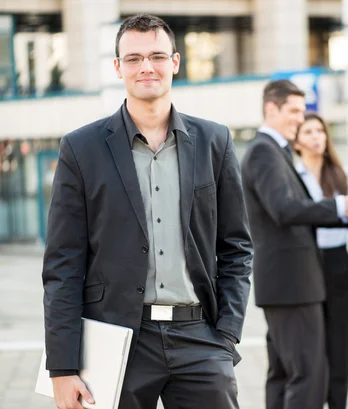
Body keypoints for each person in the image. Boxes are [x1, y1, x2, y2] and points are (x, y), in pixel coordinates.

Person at [41, 14, 252, 409]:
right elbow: (62, 265)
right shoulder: (81, 148)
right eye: (134, 58)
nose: (146, 67)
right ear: (118, 67)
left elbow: (236, 246)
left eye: (156, 56)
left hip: (200, 337)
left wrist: (226, 335)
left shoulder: (215, 141)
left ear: (175, 62)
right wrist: (63, 367)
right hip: (115, 336)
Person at [241, 80, 348, 409]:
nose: (298, 119)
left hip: (289, 283)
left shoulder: (276, 151)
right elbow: (285, 210)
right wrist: (341, 205)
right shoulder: (264, 151)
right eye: (293, 111)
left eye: (302, 112)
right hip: (292, 285)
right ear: (270, 109)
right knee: (308, 375)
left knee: (283, 374)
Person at [294, 112, 348, 409]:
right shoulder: (293, 177)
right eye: (308, 132)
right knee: (310, 346)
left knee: (339, 343)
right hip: (305, 263)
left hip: (337, 263)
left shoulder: (343, 175)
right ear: (296, 141)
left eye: (320, 131)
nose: (316, 137)